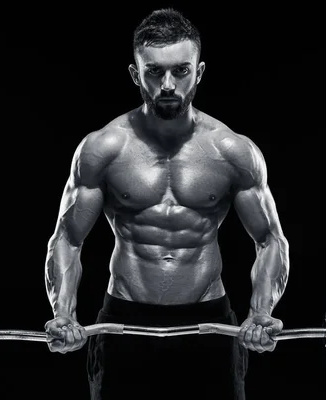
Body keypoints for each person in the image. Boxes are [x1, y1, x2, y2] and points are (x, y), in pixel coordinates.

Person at [43, 8, 290, 400]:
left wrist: (261, 311)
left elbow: (271, 240)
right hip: (125, 323)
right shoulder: (102, 149)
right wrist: (63, 314)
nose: (169, 84)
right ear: (134, 73)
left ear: (200, 71)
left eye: (182, 70)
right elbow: (67, 239)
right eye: (155, 72)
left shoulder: (232, 151)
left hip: (209, 323)